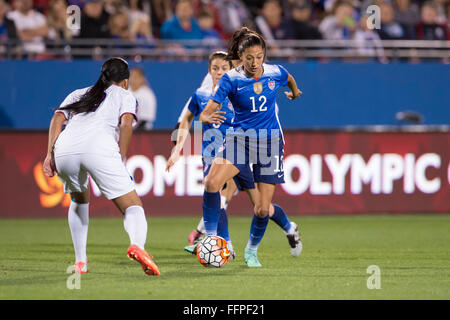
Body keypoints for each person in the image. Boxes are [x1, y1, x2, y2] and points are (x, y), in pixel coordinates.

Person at [43, 57, 160, 276]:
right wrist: (121, 157)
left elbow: (57, 119)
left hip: (65, 149)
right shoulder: (126, 95)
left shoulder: (79, 93)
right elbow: (126, 124)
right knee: (132, 205)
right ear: (125, 81)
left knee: (79, 199)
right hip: (99, 148)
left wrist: (49, 154)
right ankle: (138, 246)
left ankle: (80, 261)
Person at [199, 27, 303, 267]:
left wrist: (294, 93)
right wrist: (206, 117)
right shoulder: (231, 79)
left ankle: (251, 250)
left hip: (270, 142)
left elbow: (288, 79)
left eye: (259, 57)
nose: (255, 62)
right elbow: (207, 110)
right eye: (249, 58)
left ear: (264, 54)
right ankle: (212, 239)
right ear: (240, 57)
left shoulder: (275, 72)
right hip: (239, 140)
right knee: (211, 183)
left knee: (262, 209)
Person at [166, 51, 238, 257]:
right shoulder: (201, 95)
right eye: (215, 69)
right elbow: (186, 119)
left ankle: (207, 237)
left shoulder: (239, 94)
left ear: (231, 70)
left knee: (258, 205)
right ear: (209, 71)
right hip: (211, 153)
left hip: (238, 151)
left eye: (224, 68)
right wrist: (177, 148)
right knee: (218, 197)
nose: (219, 72)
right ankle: (223, 244)